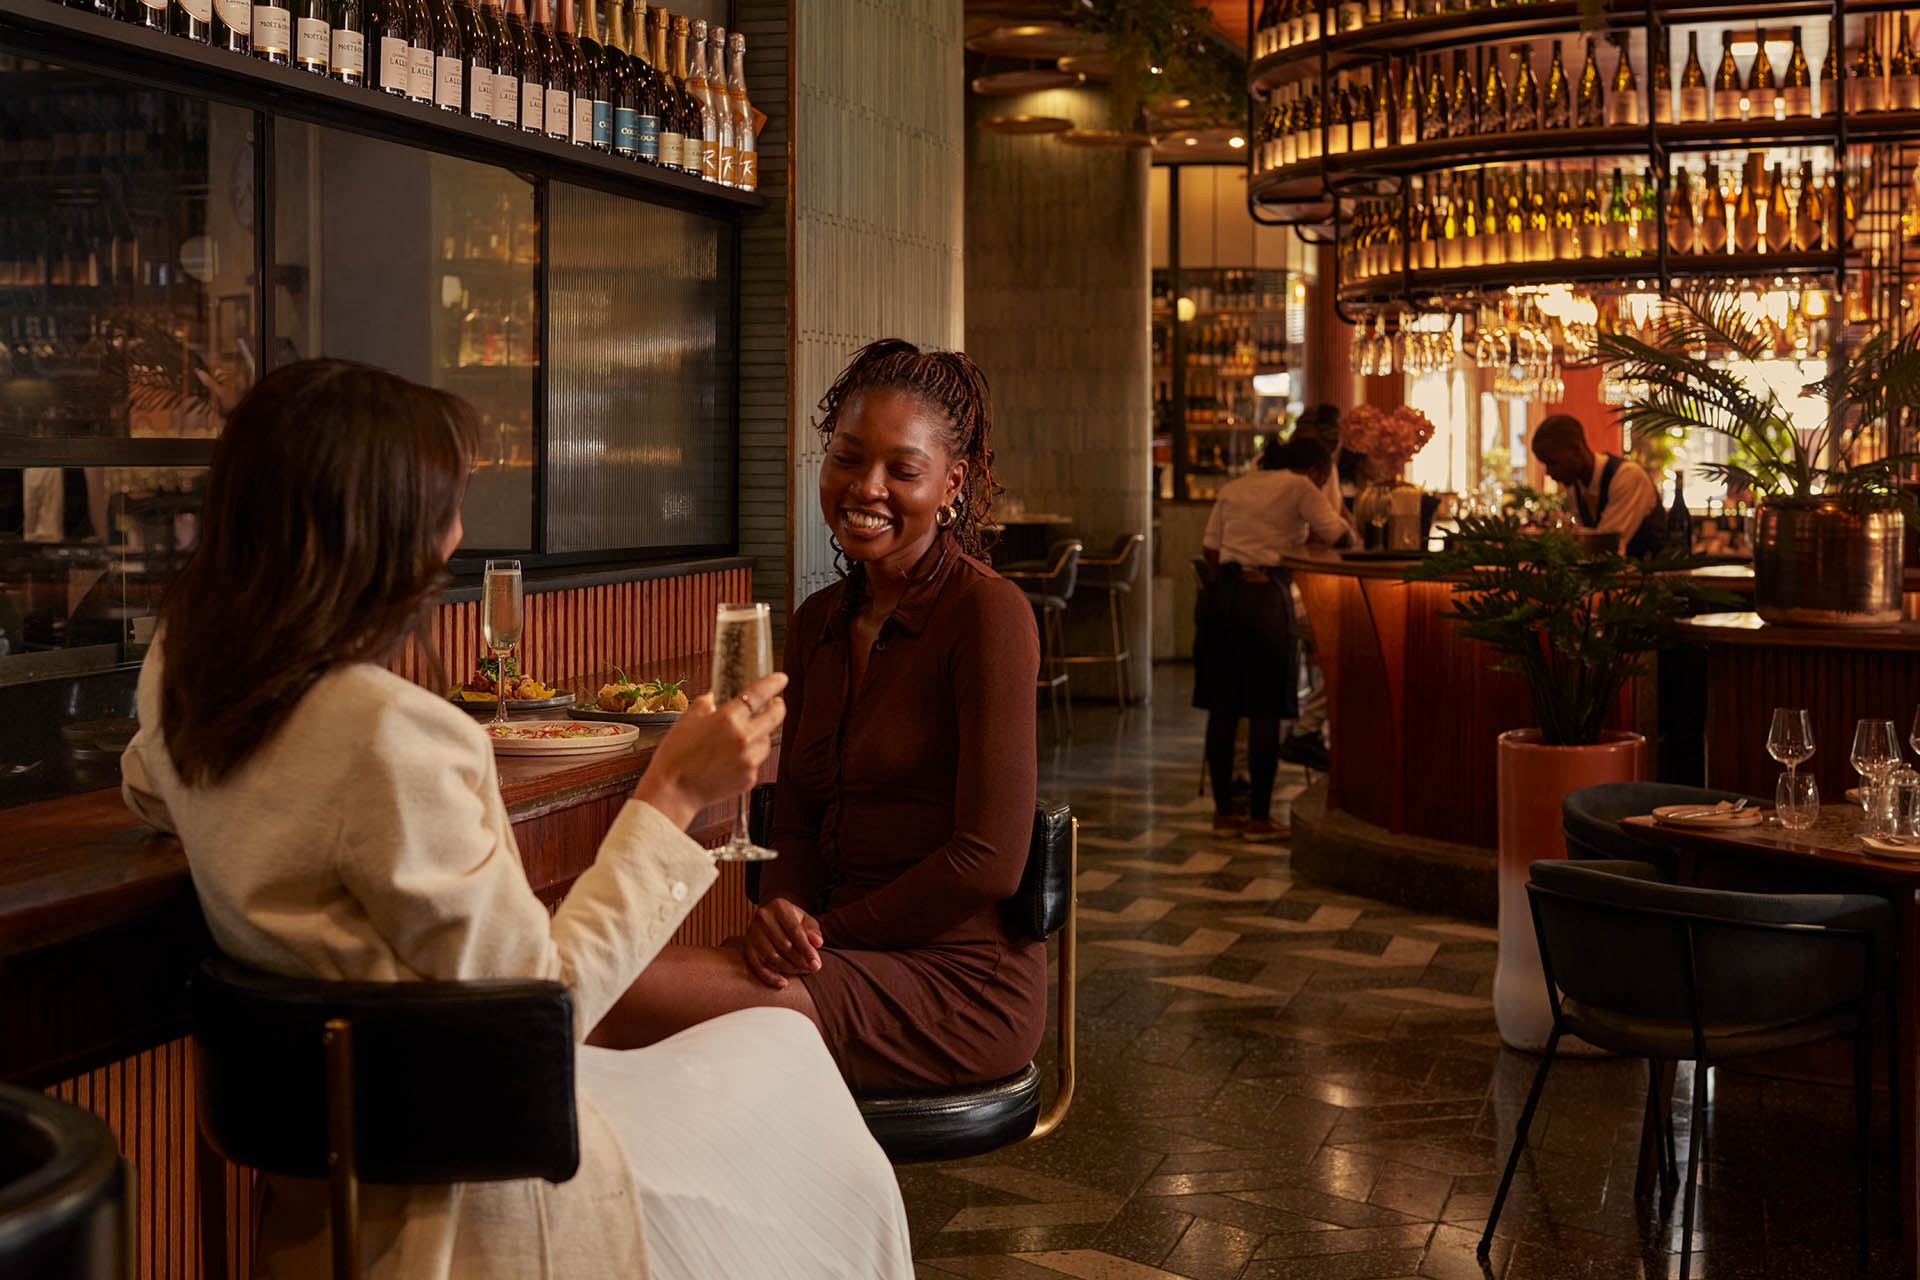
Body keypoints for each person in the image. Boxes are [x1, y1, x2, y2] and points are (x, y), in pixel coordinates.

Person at [118, 360, 913, 1280]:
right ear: (381, 531)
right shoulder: (391, 736)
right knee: (796, 1088)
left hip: (330, 1181)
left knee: (779, 1042)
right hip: (477, 1187)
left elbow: (149, 784)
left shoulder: (191, 692)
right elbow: (542, 1011)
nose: (455, 533)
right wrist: (672, 793)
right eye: (447, 504)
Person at [591, 339, 1044, 1093]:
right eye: (847, 458)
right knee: (598, 988)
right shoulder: (819, 620)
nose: (866, 487)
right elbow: (794, 815)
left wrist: (818, 935)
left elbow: (988, 861)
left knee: (600, 992)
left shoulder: (988, 613)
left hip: (955, 982)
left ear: (951, 483)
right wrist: (783, 909)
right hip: (828, 954)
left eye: (902, 469)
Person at [1196, 437, 1354, 841]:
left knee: (1224, 708)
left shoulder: (1235, 486)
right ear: (1318, 473)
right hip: (1266, 597)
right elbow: (1339, 537)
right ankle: (1260, 819)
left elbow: (1210, 549)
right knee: (1264, 708)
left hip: (1223, 598)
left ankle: (1224, 814)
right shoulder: (1301, 487)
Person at [1529, 413, 1664, 556]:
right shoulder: (1575, 486)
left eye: (1553, 462)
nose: (1549, 473)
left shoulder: (1628, 476)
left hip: (1651, 576)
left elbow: (1608, 548)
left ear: (1576, 449)